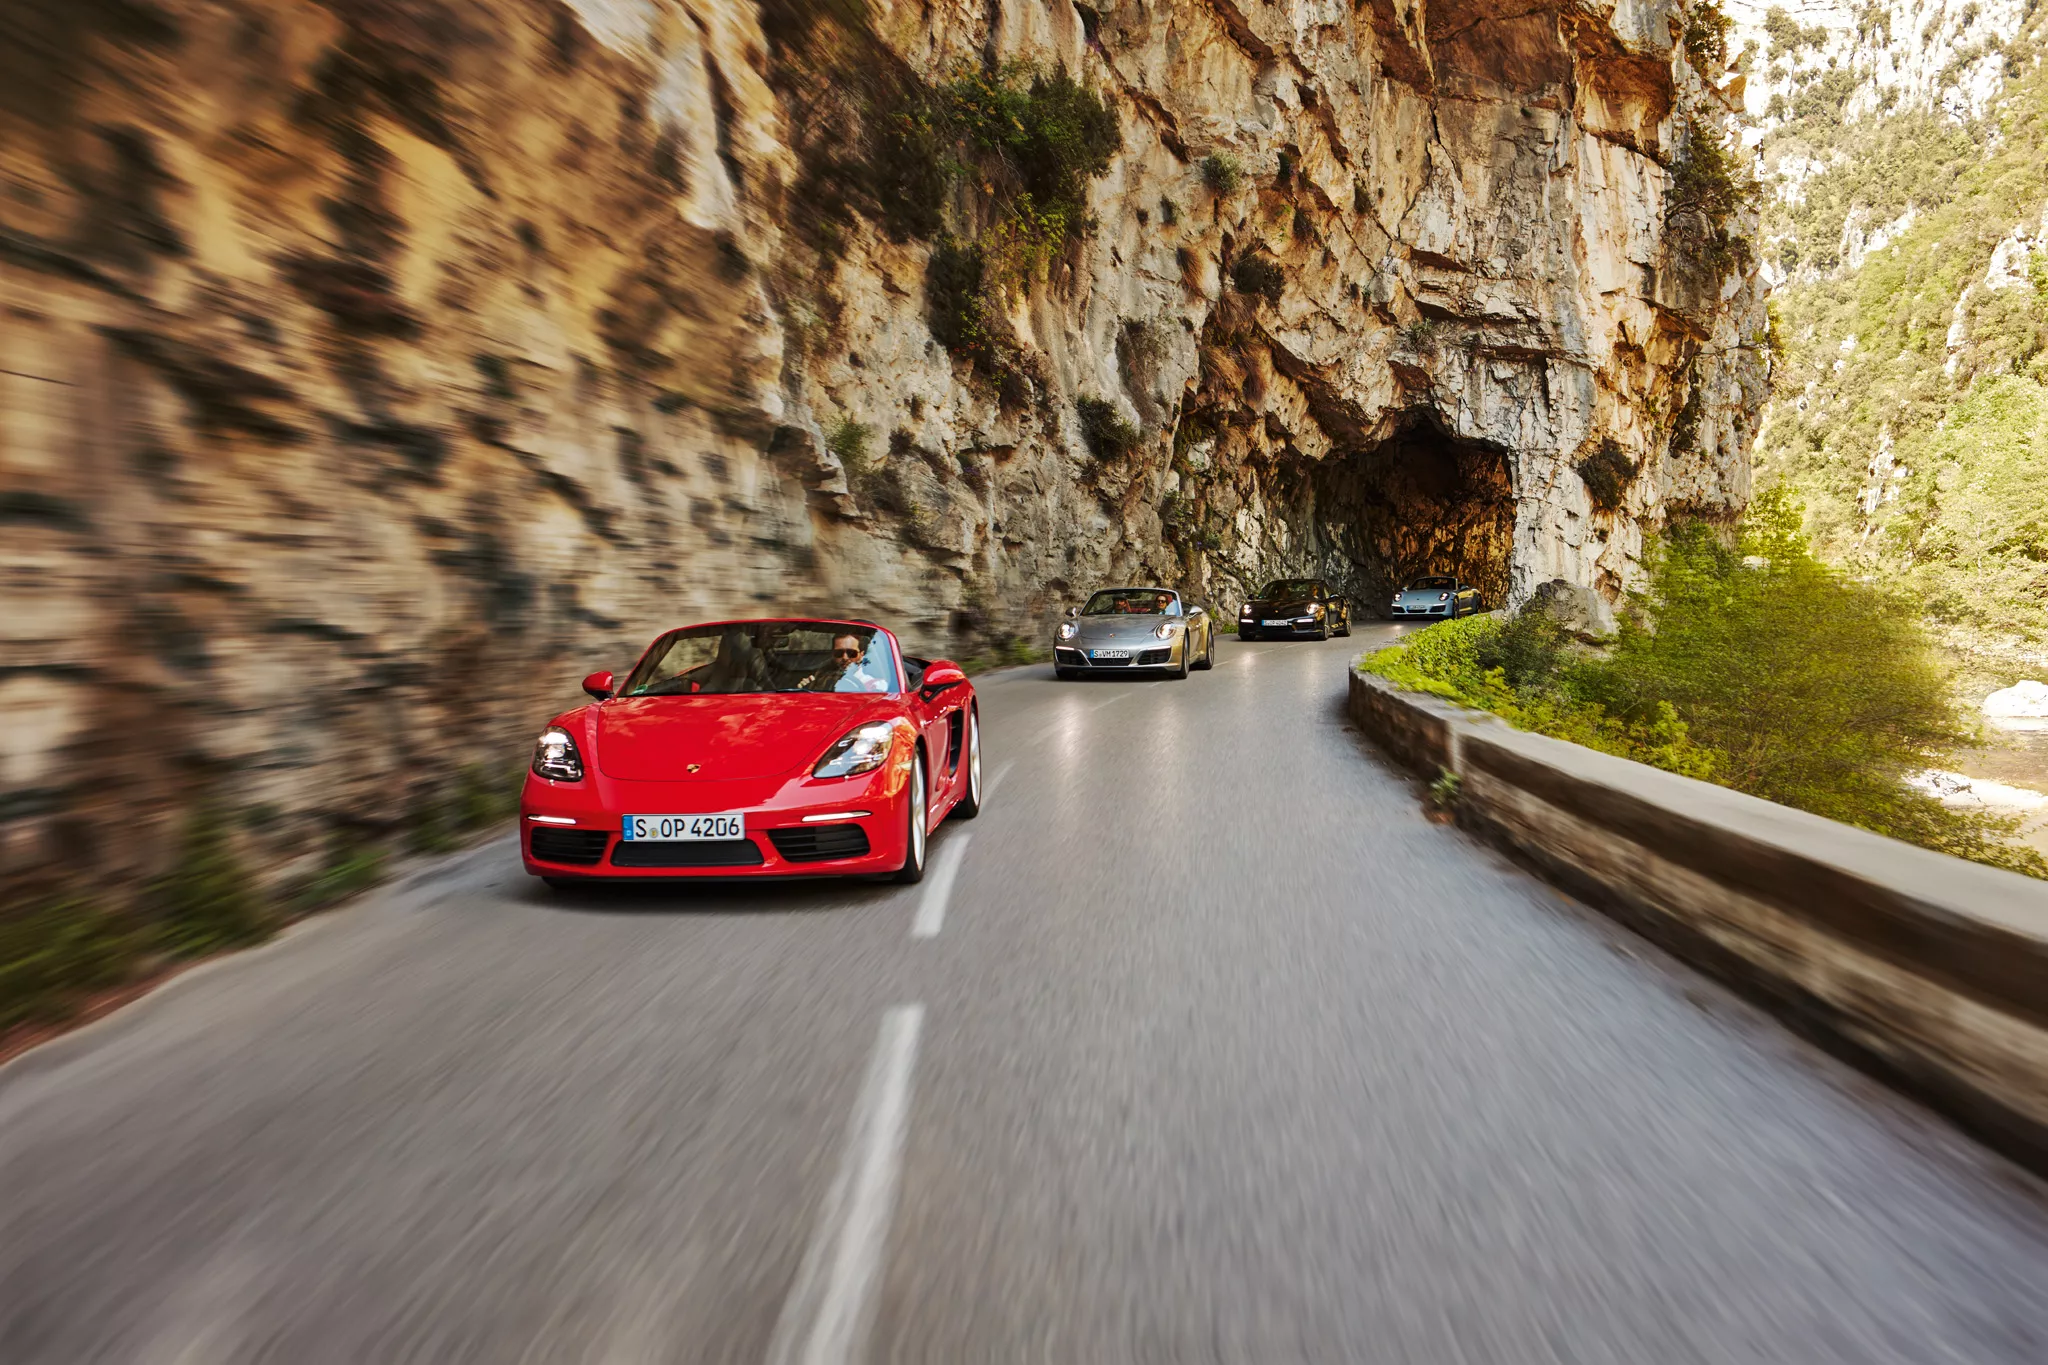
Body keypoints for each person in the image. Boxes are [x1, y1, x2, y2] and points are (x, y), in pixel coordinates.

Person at [802, 634, 890, 692]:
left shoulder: (875, 685)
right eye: (839, 653)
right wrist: (804, 690)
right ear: (833, 655)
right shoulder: (820, 680)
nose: (844, 658)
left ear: (862, 655)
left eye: (851, 653)